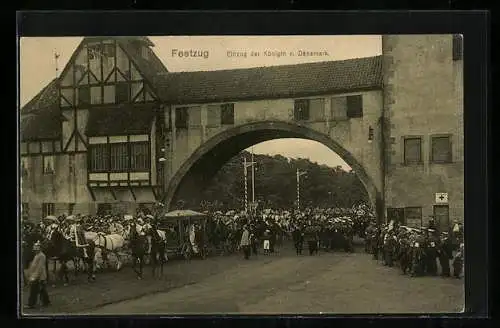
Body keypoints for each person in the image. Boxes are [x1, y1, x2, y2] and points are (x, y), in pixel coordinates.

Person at [25, 241, 50, 309]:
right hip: (36, 275)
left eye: (36, 248)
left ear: (39, 249)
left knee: (34, 290)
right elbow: (34, 266)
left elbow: (40, 267)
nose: (35, 249)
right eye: (34, 248)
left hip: (39, 276)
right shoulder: (37, 255)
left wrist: (34, 277)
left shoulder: (42, 256)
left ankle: (31, 304)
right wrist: (30, 273)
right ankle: (46, 302)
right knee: (42, 290)